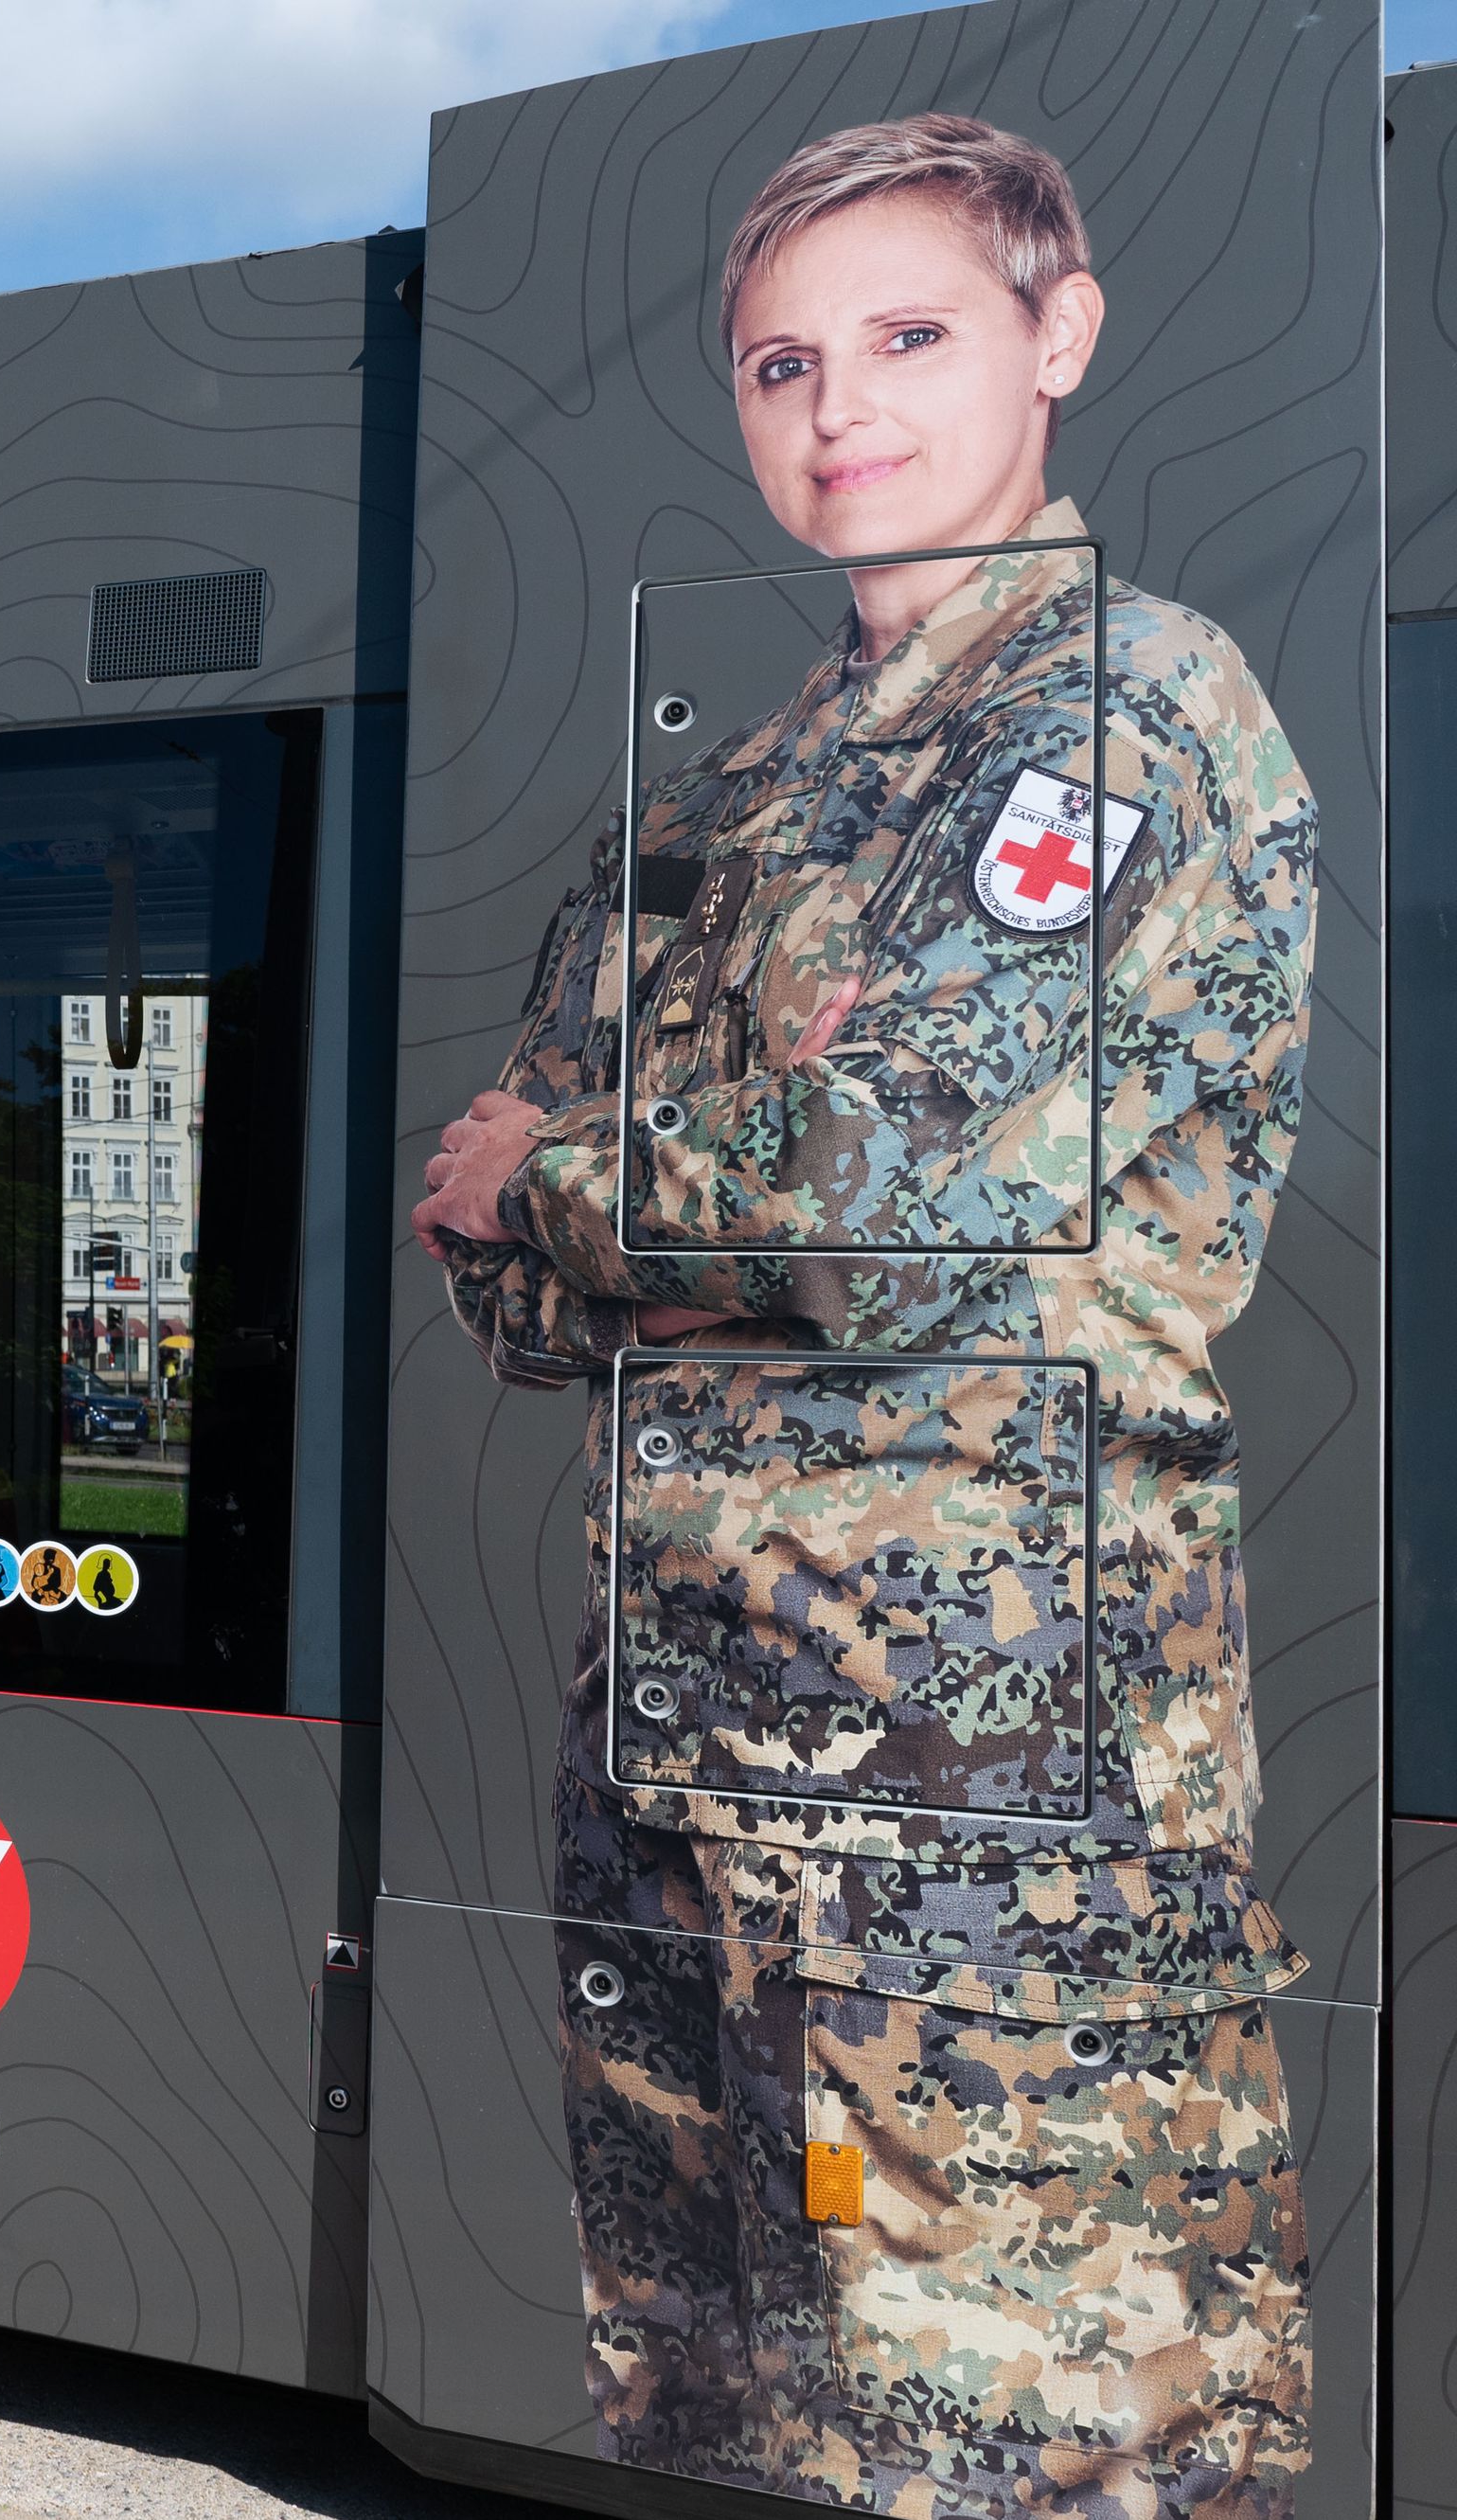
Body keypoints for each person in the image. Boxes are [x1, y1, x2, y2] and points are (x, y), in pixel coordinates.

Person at [413, 117, 1314, 2517]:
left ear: (1059, 335)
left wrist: (582, 1192)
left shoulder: (1122, 719)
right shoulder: (741, 797)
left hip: (973, 1824)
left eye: (905, 335)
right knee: (714, 2422)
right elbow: (492, 1273)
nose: (837, 406)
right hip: (682, 1769)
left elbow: (880, 1214)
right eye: (778, 362)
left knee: (996, 2445)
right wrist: (615, 1220)